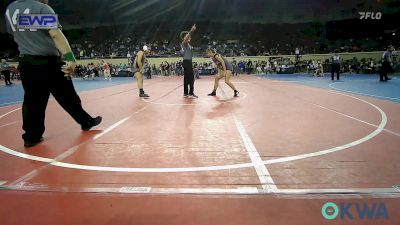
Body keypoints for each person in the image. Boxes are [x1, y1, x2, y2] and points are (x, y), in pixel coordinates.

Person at [5, 0, 102, 147]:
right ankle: (86, 121)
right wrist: (70, 57)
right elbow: (55, 34)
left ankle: (31, 136)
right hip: (48, 62)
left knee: (33, 101)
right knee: (68, 96)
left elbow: (15, 35)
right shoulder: (41, 8)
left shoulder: (11, 9)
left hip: (27, 63)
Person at [180, 24, 198, 98]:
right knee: (191, 77)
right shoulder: (184, 43)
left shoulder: (188, 45)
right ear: (184, 38)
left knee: (187, 77)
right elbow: (186, 38)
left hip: (188, 61)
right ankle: (191, 93)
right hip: (186, 61)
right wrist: (191, 30)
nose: (189, 37)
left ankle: (185, 93)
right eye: (187, 36)